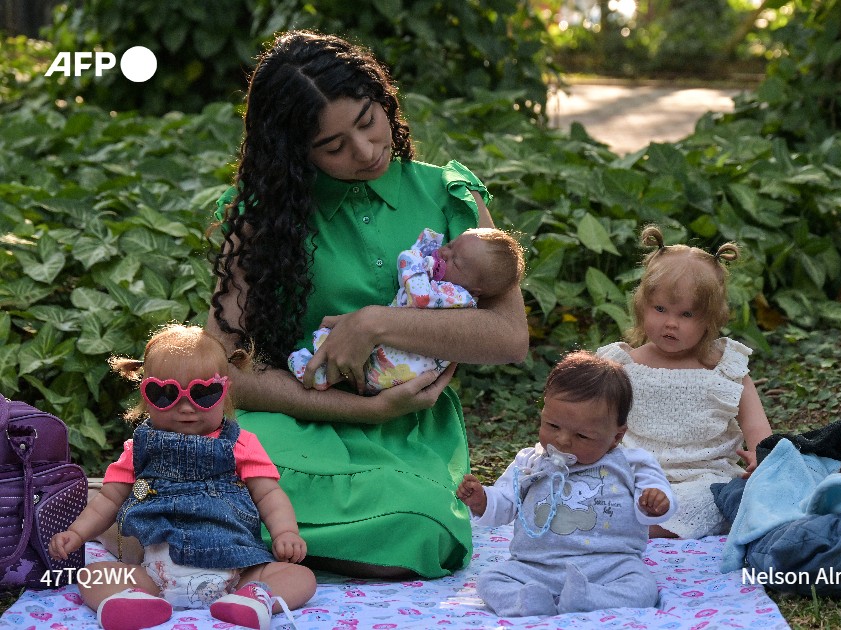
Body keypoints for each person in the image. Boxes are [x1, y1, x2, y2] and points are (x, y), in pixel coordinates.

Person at [208, 30, 529, 579]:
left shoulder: (450, 195)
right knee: (216, 473)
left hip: (408, 428)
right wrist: (360, 409)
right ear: (293, 152)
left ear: (384, 100)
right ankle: (248, 544)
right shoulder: (258, 216)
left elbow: (508, 336)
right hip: (295, 413)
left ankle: (232, 548)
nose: (365, 151)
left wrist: (376, 324)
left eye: (367, 120)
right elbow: (223, 368)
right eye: (333, 146)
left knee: (423, 527)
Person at [47, 324, 316, 630]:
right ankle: (135, 601)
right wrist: (78, 533)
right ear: (146, 394)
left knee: (301, 576)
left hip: (237, 571)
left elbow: (269, 494)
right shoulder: (138, 450)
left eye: (204, 393)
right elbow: (107, 499)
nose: (186, 407)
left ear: (224, 391)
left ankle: (254, 598)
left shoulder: (240, 444)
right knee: (92, 575)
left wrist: (285, 533)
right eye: (166, 394)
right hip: (157, 573)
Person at [456, 351, 675, 617]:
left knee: (643, 587)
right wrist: (482, 500)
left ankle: (590, 598)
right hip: (536, 565)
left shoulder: (632, 463)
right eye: (552, 425)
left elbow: (658, 497)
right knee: (490, 579)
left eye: (582, 435)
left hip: (610, 564)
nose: (562, 441)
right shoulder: (530, 462)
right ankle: (524, 601)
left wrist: (655, 503)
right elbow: (505, 503)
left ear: (616, 436)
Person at [596, 225, 772, 539]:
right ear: (641, 306)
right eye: (660, 309)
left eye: (687, 314)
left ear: (710, 318)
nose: (670, 323)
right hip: (634, 473)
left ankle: (642, 528)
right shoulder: (622, 365)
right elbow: (591, 418)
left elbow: (757, 428)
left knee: (712, 500)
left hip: (703, 477)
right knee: (591, 489)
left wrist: (761, 456)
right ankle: (624, 520)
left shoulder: (725, 369)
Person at [288, 226, 524, 393]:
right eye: (451, 245)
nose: (444, 253)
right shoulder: (447, 286)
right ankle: (319, 365)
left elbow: (418, 296)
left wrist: (411, 257)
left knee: (350, 360)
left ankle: (317, 374)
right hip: (396, 362)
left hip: (393, 370)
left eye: (456, 262)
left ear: (477, 289)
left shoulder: (456, 296)